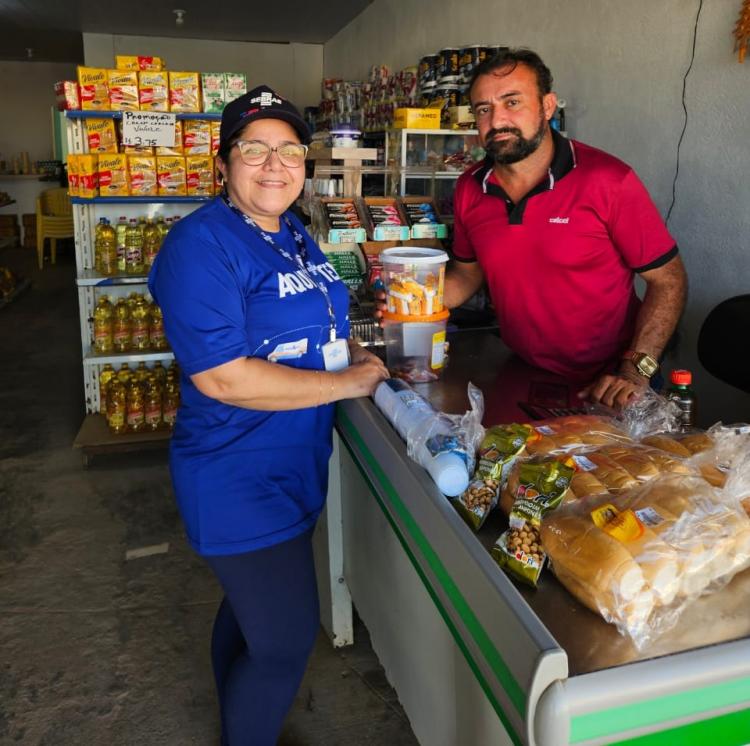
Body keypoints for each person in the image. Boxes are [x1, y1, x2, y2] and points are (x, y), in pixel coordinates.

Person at [148, 85, 388, 746]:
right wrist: (346, 383)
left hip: (290, 467)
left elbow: (318, 319)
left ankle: (235, 719)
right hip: (235, 474)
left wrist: (354, 351)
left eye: (289, 150)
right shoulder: (200, 245)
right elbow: (222, 376)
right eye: (255, 149)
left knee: (249, 615)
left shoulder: (293, 234)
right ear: (224, 163)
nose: (275, 164)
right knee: (283, 644)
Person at [383, 48, 688, 409]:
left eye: (512, 102)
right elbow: (467, 274)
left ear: (547, 106)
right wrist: (408, 302)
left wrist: (635, 371)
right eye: (483, 109)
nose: (497, 120)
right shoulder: (470, 187)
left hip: (611, 383)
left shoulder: (608, 180)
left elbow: (668, 280)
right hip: (525, 371)